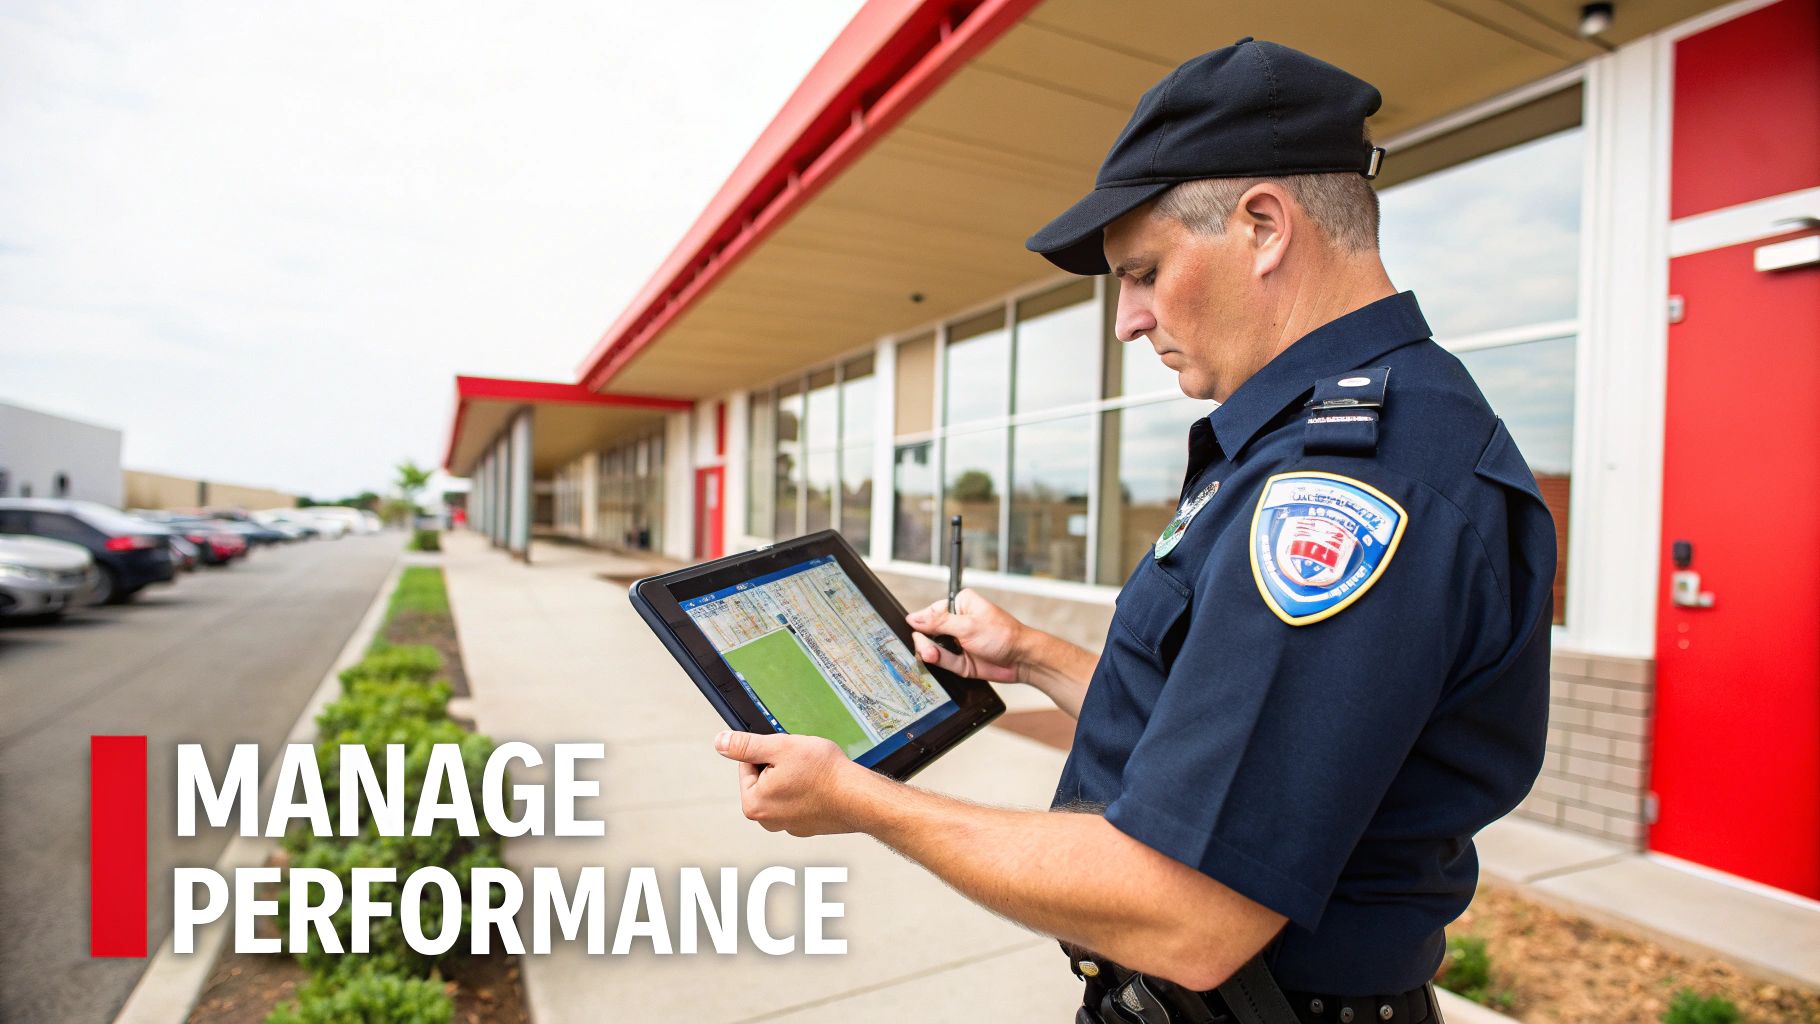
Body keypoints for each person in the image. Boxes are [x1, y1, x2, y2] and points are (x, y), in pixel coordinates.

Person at [715, 36, 1554, 1024]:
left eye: (1144, 271)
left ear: (1262, 226)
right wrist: (1027, 653)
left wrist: (861, 801)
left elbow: (1187, 911)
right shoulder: (1324, 437)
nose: (1126, 319)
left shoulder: (1347, 488)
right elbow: (1223, 723)